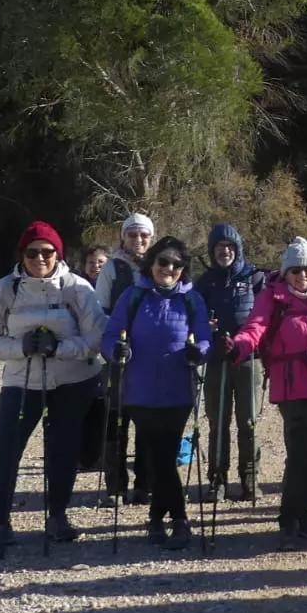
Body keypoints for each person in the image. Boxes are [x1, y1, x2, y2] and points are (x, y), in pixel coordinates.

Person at [0, 222, 108, 554]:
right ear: (21, 255)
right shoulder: (5, 289)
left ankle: (57, 517)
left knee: (63, 449)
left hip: (73, 380)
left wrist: (60, 348)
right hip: (22, 380)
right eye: (32, 252)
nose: (40, 258)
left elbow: (97, 338)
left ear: (59, 253)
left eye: (47, 252)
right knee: (3, 447)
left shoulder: (77, 287)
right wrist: (21, 347)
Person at [231, 237, 307, 547]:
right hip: (292, 385)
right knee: (300, 455)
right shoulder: (273, 296)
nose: (303, 276)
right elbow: (255, 327)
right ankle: (289, 521)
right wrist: (238, 347)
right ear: (286, 272)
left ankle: (304, 515)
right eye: (296, 270)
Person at [100, 235, 211, 551]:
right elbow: (109, 336)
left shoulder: (192, 300)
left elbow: (205, 337)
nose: (169, 268)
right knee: (160, 456)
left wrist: (199, 352)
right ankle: (179, 519)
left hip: (179, 391)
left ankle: (156, 518)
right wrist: (116, 350)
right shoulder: (133, 296)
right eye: (163, 261)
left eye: (177, 264)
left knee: (164, 455)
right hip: (140, 391)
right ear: (151, 264)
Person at [198, 223, 270, 502]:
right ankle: (217, 479)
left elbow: (265, 317)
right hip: (216, 360)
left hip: (249, 359)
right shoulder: (204, 282)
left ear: (238, 249)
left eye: (229, 247)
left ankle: (250, 477)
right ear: (211, 250)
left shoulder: (255, 278)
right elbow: (195, 320)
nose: (225, 251)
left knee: (248, 422)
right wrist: (208, 331)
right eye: (219, 247)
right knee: (218, 422)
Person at [94, 212, 156, 504]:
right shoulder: (112, 268)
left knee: (147, 421)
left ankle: (145, 483)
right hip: (119, 353)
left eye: (143, 235)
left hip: (149, 356)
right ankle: (115, 485)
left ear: (151, 238)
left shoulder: (158, 265)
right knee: (116, 419)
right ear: (123, 237)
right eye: (132, 234)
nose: (138, 240)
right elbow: (99, 310)